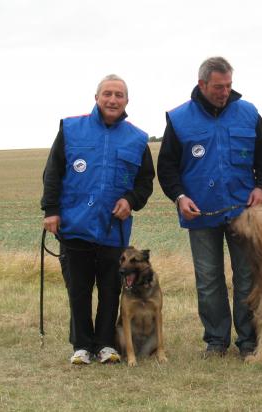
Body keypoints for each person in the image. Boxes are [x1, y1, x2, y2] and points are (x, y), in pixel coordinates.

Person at [157, 56, 262, 359]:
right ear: (202, 84)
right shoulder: (179, 118)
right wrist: (180, 196)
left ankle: (248, 340)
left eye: (229, 86)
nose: (224, 92)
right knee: (209, 280)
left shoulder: (248, 113)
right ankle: (216, 340)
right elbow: (167, 167)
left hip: (242, 213)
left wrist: (261, 187)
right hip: (201, 215)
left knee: (247, 277)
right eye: (218, 87)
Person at [41, 74, 155, 365]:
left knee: (110, 289)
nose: (113, 99)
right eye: (107, 94)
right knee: (78, 290)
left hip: (113, 231)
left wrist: (130, 200)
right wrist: (51, 210)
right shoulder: (71, 128)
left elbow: (145, 182)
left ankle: (106, 345)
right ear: (96, 98)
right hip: (74, 225)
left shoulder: (138, 138)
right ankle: (81, 345)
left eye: (119, 95)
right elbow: (53, 172)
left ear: (127, 101)